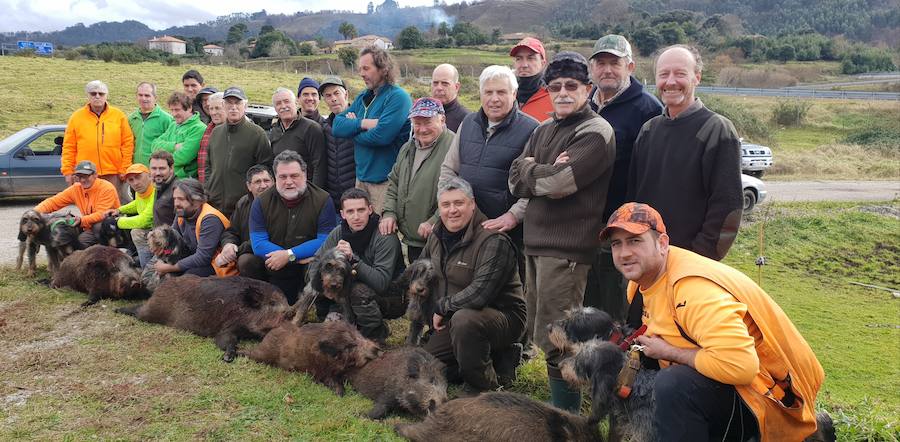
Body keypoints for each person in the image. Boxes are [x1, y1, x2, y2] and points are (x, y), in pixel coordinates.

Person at [600, 202, 825, 442]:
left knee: (673, 385)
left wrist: (670, 352)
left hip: (773, 397)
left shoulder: (693, 290)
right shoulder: (639, 283)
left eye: (635, 241)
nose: (624, 253)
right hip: (727, 383)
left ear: (662, 243)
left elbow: (741, 366)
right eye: (617, 244)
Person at [508, 51, 616, 411]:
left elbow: (558, 184)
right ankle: (563, 408)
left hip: (567, 251)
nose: (563, 93)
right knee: (543, 333)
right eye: (555, 87)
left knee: (562, 337)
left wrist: (532, 169)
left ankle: (568, 415)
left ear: (588, 88)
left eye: (572, 86)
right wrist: (538, 169)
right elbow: (513, 181)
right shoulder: (544, 129)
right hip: (536, 245)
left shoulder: (595, 132)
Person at [627, 45, 742, 261]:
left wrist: (699, 259)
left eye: (680, 74)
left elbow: (728, 205)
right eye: (663, 74)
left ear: (697, 77)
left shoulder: (716, 130)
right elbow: (634, 199)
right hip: (646, 259)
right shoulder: (648, 130)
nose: (670, 82)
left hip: (690, 263)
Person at [582, 34, 663, 320]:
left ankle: (621, 356)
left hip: (623, 223)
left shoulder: (647, 109)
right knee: (587, 296)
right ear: (592, 69)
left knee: (619, 296)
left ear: (629, 67)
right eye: (601, 63)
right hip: (584, 221)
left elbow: (652, 170)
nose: (607, 70)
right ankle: (590, 353)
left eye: (614, 63)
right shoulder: (585, 105)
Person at [420, 177, 526, 395]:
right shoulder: (436, 236)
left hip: (503, 317)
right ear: (438, 208)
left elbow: (480, 295)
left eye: (459, 203)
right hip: (456, 317)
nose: (452, 210)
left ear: (472, 204)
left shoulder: (493, 240)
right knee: (424, 366)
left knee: (465, 320)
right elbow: (420, 272)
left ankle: (482, 389)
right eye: (446, 205)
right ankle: (498, 360)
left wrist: (441, 307)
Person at [440, 65, 538, 264]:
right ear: (481, 94)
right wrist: (450, 206)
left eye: (501, 92)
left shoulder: (532, 129)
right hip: (466, 228)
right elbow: (449, 169)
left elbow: (536, 186)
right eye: (488, 92)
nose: (494, 99)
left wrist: (513, 216)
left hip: (506, 233)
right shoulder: (468, 123)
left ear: (514, 93)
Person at [310, 188, 404, 341]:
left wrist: (353, 259)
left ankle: (375, 332)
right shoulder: (338, 232)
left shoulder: (385, 236)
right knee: (324, 278)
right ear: (342, 214)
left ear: (370, 210)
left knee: (357, 290)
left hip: (390, 296)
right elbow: (315, 264)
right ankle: (337, 318)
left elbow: (381, 283)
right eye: (350, 211)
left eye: (361, 210)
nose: (356, 216)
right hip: (348, 291)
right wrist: (325, 281)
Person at [332, 45, 412, 214]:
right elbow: (337, 126)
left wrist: (352, 130)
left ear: (383, 69)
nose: (361, 73)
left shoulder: (398, 97)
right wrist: (364, 124)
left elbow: (381, 137)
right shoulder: (363, 96)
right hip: (360, 180)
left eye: (366, 68)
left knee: (383, 233)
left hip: (385, 183)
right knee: (361, 233)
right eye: (360, 68)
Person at [248, 151, 337, 304]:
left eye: (294, 176)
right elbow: (258, 244)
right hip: (276, 264)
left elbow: (325, 239)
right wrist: (289, 257)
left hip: (309, 264)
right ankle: (256, 303)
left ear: (305, 174)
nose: (289, 182)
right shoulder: (261, 202)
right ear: (275, 178)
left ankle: (324, 307)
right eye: (283, 177)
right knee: (247, 261)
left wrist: (289, 255)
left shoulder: (323, 199)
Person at [380, 98, 454, 262]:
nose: (422, 129)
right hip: (413, 241)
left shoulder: (454, 148)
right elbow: (394, 183)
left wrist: (434, 221)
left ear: (442, 119)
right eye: (417, 123)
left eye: (427, 122)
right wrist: (389, 213)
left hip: (441, 239)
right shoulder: (407, 148)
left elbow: (458, 195)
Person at [205, 86, 274, 218]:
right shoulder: (216, 133)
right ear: (223, 105)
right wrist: (208, 188)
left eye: (237, 103)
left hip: (243, 207)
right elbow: (208, 165)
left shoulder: (257, 134)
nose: (233, 107)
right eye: (229, 103)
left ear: (245, 106)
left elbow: (265, 169)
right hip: (214, 205)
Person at [61, 80, 134, 204]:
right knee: (88, 207)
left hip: (113, 174)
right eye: (93, 93)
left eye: (101, 93)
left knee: (112, 208)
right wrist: (67, 171)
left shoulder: (119, 116)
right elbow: (69, 146)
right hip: (85, 174)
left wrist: (124, 168)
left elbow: (127, 143)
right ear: (87, 95)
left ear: (107, 95)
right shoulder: (76, 117)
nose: (97, 96)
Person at [35, 160, 120, 248]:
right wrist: (34, 213)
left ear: (95, 175)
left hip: (110, 226)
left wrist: (81, 221)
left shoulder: (106, 188)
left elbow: (101, 214)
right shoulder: (76, 189)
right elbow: (53, 202)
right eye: (79, 176)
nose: (82, 180)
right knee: (74, 244)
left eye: (86, 176)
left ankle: (111, 249)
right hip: (89, 227)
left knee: (98, 227)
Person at [154, 179, 229, 277]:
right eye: (175, 198)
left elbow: (203, 257)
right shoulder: (182, 212)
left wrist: (168, 267)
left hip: (218, 265)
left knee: (187, 278)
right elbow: (171, 239)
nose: (176, 203)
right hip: (194, 257)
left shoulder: (210, 219)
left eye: (181, 199)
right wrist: (162, 252)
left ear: (197, 201)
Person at [217, 165, 274, 281]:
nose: (263, 185)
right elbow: (231, 231)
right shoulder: (243, 203)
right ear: (249, 186)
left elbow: (266, 238)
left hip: (272, 252)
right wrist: (228, 245)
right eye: (257, 182)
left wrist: (236, 250)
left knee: (245, 261)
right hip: (249, 252)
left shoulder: (280, 203)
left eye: (266, 180)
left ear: (273, 182)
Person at [269, 87, 325, 187]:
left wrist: (315, 194)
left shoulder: (311, 128)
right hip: (283, 190)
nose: (283, 106)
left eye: (287, 101)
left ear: (295, 103)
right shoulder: (274, 131)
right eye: (278, 103)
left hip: (306, 191)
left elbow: (319, 166)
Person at [319, 76, 356, 214]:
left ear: (346, 94)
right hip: (333, 201)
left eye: (336, 93)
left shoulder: (361, 120)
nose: (333, 98)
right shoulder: (324, 127)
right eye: (328, 96)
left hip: (358, 200)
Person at [106, 163, 156, 267]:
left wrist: (118, 222)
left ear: (149, 175)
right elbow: (138, 203)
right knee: (127, 220)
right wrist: (119, 210)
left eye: (138, 177)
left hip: (161, 228)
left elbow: (145, 220)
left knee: (136, 232)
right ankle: (137, 255)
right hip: (152, 226)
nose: (135, 183)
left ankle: (147, 267)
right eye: (131, 180)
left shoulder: (155, 191)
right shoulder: (141, 191)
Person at [151, 92, 207, 179]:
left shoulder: (199, 128)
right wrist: (174, 146)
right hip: (167, 179)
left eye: (177, 110)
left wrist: (159, 161)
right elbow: (154, 145)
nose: (173, 114)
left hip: (184, 182)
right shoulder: (173, 125)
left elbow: (183, 157)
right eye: (171, 110)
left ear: (189, 108)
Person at [128, 82, 174, 167]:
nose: (143, 98)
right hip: (136, 168)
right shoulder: (131, 119)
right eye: (140, 95)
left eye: (147, 95)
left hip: (157, 169)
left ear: (155, 98)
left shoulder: (166, 119)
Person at [509, 37, 553, 123]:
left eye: (530, 58)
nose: (524, 65)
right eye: (519, 58)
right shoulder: (505, 95)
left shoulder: (554, 97)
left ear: (543, 63)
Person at [430, 64, 470, 132]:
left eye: (445, 83)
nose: (439, 88)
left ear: (456, 87)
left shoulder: (467, 120)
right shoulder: (423, 114)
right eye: (435, 83)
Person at [198, 92, 226, 184]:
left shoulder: (232, 130)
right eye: (211, 109)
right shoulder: (209, 129)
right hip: (207, 185)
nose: (213, 112)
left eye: (217, 108)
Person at [149, 150, 177, 227]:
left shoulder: (177, 190)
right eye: (154, 168)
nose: (157, 173)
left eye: (162, 168)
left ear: (171, 168)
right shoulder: (158, 186)